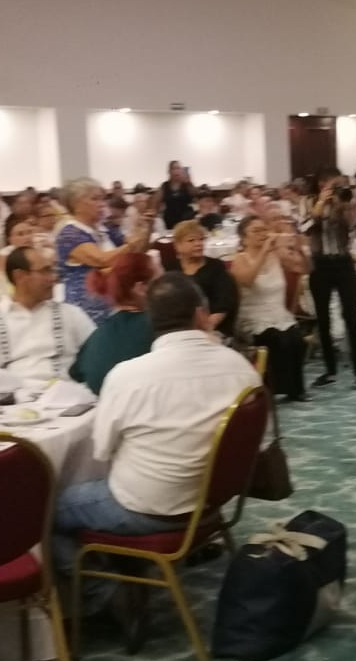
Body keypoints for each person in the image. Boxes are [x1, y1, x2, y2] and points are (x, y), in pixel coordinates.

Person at [51, 273, 261, 636]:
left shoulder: (128, 376)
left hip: (149, 508)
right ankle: (126, 575)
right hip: (213, 501)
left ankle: (103, 594)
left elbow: (102, 451)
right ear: (201, 315)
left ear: (150, 321)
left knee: (46, 512)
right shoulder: (240, 367)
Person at [0, 246, 95, 382]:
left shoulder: (71, 315)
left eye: (51, 270)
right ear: (20, 276)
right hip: (13, 400)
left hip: (70, 396)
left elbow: (97, 355)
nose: (53, 278)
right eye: (45, 271)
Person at [231, 215, 310, 402]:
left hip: (279, 313)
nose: (262, 234)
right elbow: (248, 281)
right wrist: (263, 253)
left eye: (263, 230)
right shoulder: (239, 259)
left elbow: (304, 269)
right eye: (256, 231)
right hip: (253, 316)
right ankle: (270, 390)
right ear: (244, 238)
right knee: (276, 338)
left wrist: (299, 249)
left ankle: (295, 390)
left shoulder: (277, 255)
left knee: (296, 339)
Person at [54, 177, 148, 324]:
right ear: (77, 204)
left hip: (114, 300)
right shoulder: (70, 233)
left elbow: (135, 252)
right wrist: (130, 245)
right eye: (95, 199)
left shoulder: (103, 228)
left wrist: (143, 230)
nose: (102, 204)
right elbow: (101, 260)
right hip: (86, 307)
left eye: (102, 199)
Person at [305, 183, 356, 390]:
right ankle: (330, 370)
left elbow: (354, 225)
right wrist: (322, 203)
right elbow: (304, 227)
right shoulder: (311, 204)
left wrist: (342, 204)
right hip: (320, 264)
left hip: (343, 264)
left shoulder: (346, 208)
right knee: (323, 319)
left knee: (351, 316)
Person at [69, 252, 155, 395]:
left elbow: (76, 373)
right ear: (141, 288)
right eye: (160, 280)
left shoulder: (96, 336)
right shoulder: (160, 327)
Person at [165, 219, 239, 338]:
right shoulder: (170, 268)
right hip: (177, 330)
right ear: (177, 245)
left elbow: (223, 305)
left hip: (211, 329)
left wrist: (203, 330)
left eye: (201, 239)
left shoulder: (216, 267)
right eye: (191, 240)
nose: (198, 243)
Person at [160, 161, 194, 229]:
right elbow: (156, 202)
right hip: (170, 221)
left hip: (186, 219)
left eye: (178, 168)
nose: (176, 171)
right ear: (169, 171)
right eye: (174, 168)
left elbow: (195, 195)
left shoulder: (186, 184)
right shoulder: (165, 186)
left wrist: (189, 182)